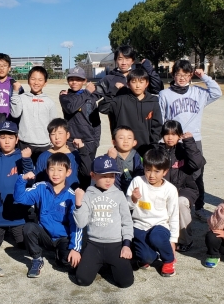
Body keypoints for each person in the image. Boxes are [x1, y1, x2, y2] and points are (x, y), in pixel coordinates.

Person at [159, 60, 222, 220]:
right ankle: (173, 204)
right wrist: (163, 140)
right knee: (173, 173)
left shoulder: (198, 92)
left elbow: (217, 92)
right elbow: (161, 118)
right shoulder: (165, 94)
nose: (182, 78)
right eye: (178, 74)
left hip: (194, 140)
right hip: (173, 140)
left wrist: (204, 77)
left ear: (191, 75)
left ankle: (198, 206)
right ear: (173, 75)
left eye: (186, 75)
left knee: (197, 174)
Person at [14, 153, 83, 278]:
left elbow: (76, 224)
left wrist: (75, 248)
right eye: (52, 169)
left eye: (60, 170)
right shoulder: (41, 187)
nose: (55, 174)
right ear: (46, 171)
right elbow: (20, 198)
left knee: (68, 263)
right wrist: (22, 179)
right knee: (29, 228)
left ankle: (59, 255)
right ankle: (37, 259)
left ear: (68, 172)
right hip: (45, 235)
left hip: (63, 238)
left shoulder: (72, 195)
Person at [73, 155, 134, 288]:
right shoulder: (87, 195)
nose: (108, 180)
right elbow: (81, 223)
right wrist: (78, 205)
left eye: (112, 176)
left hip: (116, 245)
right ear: (93, 175)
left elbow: (127, 221)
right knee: (82, 280)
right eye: (104, 176)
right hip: (94, 244)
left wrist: (126, 244)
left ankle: (112, 264)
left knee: (126, 282)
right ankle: (98, 263)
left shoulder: (119, 195)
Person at [126, 148, 179, 277]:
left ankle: (168, 260)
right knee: (146, 258)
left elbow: (174, 215)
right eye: (148, 170)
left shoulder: (170, 189)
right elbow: (127, 206)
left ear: (165, 171)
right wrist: (133, 198)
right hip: (139, 226)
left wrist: (173, 240)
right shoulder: (137, 182)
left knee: (156, 237)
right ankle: (150, 253)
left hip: (160, 226)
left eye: (157, 171)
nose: (151, 175)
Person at [159, 120, 205, 253]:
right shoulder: (157, 150)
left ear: (179, 136)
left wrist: (189, 142)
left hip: (185, 189)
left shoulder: (185, 150)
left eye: (174, 134)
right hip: (162, 189)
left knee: (180, 202)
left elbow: (198, 163)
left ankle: (185, 240)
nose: (170, 137)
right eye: (167, 134)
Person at [99, 67, 162, 155]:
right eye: (134, 82)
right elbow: (103, 108)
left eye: (141, 82)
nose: (137, 85)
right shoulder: (120, 100)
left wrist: (153, 146)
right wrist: (114, 90)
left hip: (146, 148)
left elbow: (157, 126)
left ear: (146, 83)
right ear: (128, 83)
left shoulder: (153, 101)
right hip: (123, 148)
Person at [0, 121, 33, 249]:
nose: (7, 141)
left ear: (17, 139)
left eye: (10, 138)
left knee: (23, 244)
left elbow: (30, 181)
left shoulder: (22, 156)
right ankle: (1, 230)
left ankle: (15, 229)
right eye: (3, 138)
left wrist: (26, 159)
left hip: (17, 214)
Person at [10, 65, 58, 164]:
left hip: (44, 145)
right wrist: (15, 92)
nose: (36, 82)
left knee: (43, 171)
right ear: (28, 81)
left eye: (40, 80)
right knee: (25, 171)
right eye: (33, 79)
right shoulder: (22, 98)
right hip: (25, 144)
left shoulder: (49, 102)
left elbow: (53, 125)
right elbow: (15, 114)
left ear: (45, 83)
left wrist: (53, 142)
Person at [34, 118, 91, 189]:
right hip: (49, 194)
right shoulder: (43, 156)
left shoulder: (75, 155)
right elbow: (38, 180)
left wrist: (82, 149)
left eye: (60, 133)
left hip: (71, 193)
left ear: (67, 135)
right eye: (53, 134)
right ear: (49, 137)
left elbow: (87, 172)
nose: (57, 137)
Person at [59, 66, 102, 160]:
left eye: (78, 79)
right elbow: (71, 108)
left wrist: (96, 142)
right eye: (71, 79)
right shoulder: (64, 96)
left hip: (89, 141)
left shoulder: (90, 97)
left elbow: (96, 121)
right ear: (68, 81)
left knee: (87, 168)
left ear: (84, 81)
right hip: (71, 141)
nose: (74, 82)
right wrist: (87, 92)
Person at [98, 45, 163, 98]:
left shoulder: (140, 76)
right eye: (120, 59)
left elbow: (157, 89)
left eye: (127, 59)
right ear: (116, 60)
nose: (124, 63)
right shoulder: (108, 79)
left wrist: (149, 69)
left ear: (133, 61)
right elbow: (96, 96)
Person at [106, 126, 143, 194]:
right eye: (121, 138)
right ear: (114, 142)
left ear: (134, 142)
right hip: (114, 191)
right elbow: (103, 174)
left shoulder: (138, 158)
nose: (126, 141)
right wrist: (110, 159)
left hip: (134, 190)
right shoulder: (109, 156)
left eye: (129, 138)